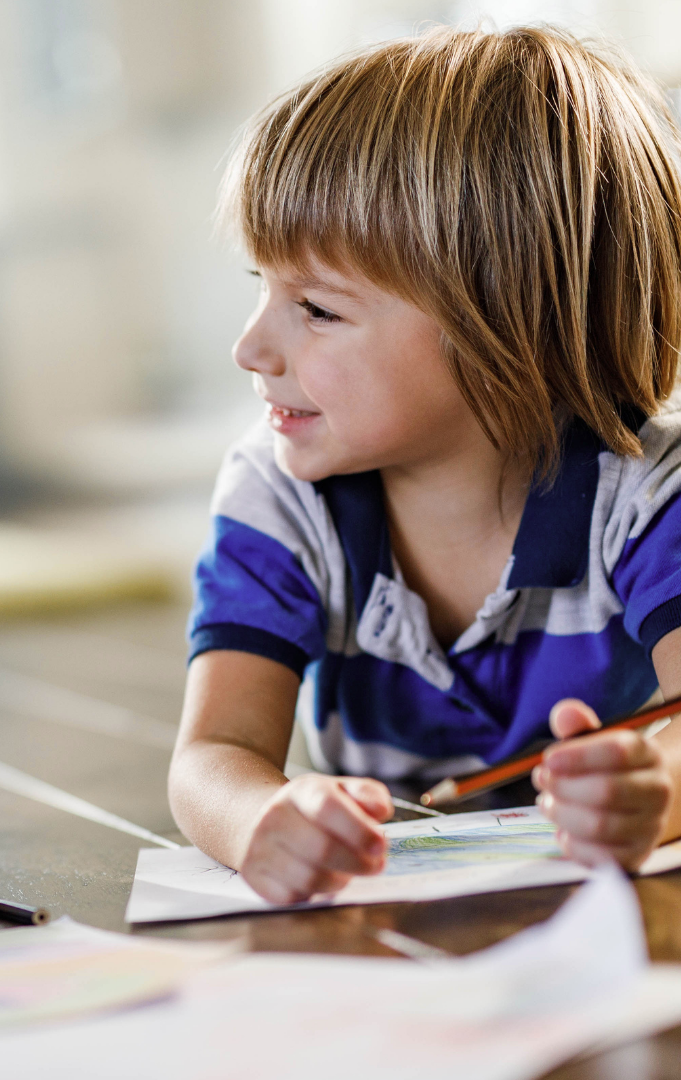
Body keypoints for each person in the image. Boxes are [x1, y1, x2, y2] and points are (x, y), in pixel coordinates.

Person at [170, 25, 681, 905]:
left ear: (508, 332)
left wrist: (657, 790)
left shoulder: (645, 496)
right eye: (263, 288)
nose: (252, 347)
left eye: (317, 310)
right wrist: (260, 818)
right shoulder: (279, 493)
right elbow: (213, 755)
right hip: (383, 921)